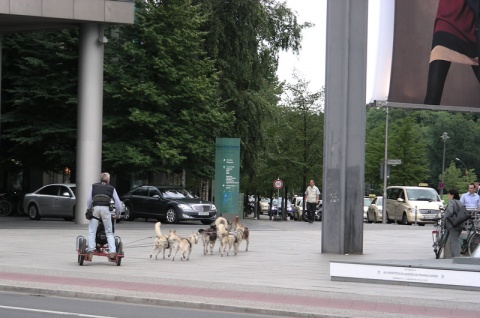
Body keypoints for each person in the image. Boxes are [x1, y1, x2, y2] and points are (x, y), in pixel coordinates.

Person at [424, 0, 480, 105]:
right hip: (446, 25)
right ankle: (422, 120)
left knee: (432, 97)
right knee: (432, 97)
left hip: (471, 29)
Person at [86, 172, 122, 261]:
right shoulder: (111, 188)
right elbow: (118, 203)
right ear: (108, 180)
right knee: (109, 232)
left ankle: (90, 251)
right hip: (106, 209)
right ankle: (112, 251)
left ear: (100, 179)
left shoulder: (93, 186)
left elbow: (89, 199)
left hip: (95, 208)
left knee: (92, 231)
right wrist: (118, 213)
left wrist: (89, 209)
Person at [444, 189, 464, 257]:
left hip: (453, 225)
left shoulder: (451, 202)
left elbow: (450, 212)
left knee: (454, 242)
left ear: (452, 195)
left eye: (449, 194)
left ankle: (456, 258)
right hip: (460, 224)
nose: (448, 196)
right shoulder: (460, 202)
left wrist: (445, 216)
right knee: (455, 240)